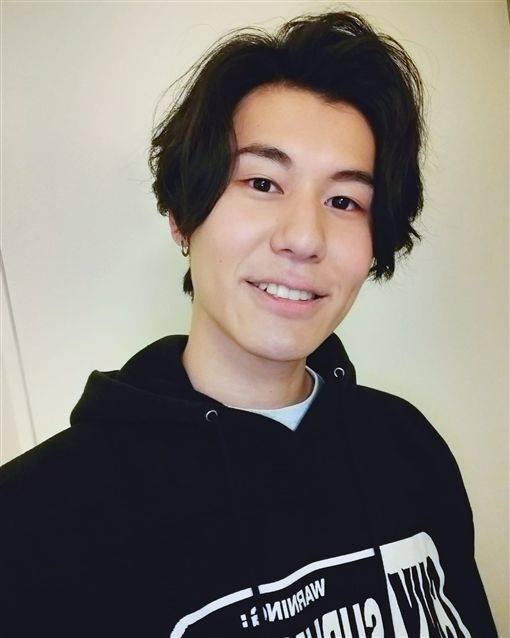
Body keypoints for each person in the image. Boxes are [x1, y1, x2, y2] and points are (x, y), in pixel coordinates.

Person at [0, 9, 498, 638]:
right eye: (263, 182)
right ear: (183, 218)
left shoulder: (408, 449)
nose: (304, 238)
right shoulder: (36, 520)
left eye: (344, 200)